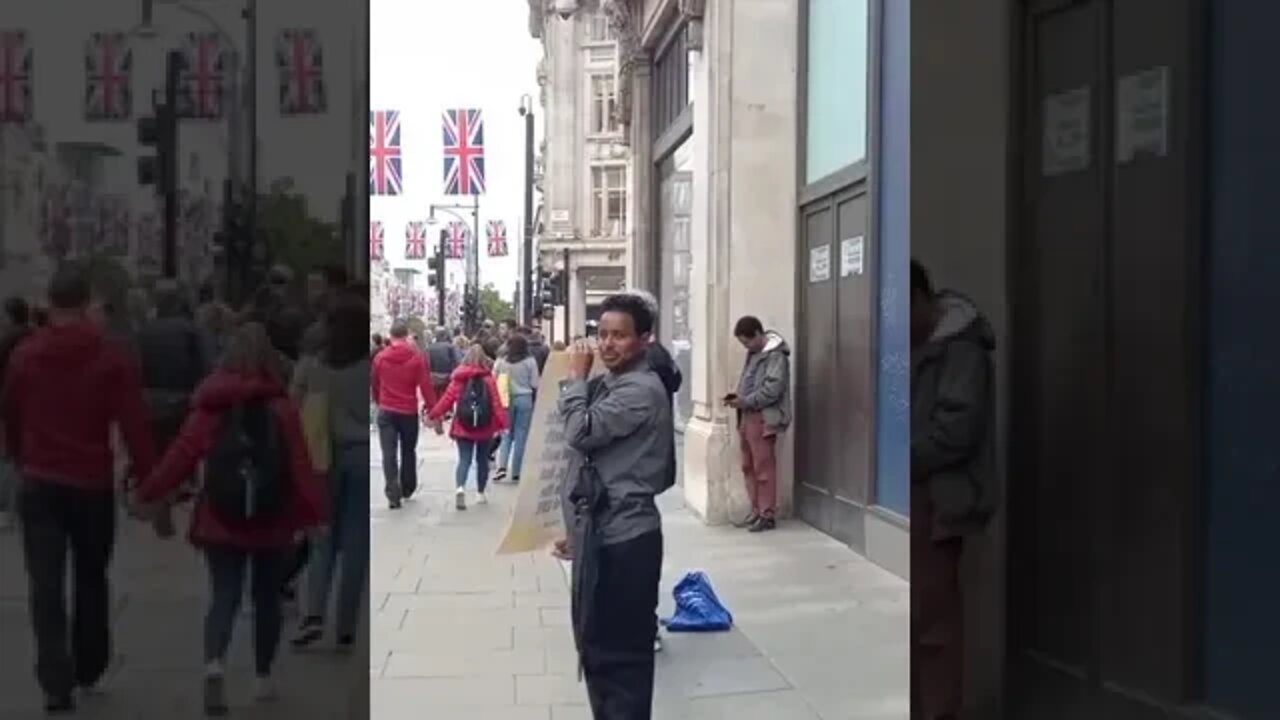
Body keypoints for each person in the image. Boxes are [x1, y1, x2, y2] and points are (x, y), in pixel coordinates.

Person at [131, 322, 326, 716]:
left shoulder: (211, 406)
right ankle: (262, 676)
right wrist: (315, 515)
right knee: (266, 597)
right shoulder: (283, 408)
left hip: (220, 517)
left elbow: (181, 456)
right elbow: (300, 466)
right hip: (272, 519)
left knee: (224, 594)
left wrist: (148, 492)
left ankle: (214, 666)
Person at [2, 264, 157, 713]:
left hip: (40, 479)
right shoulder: (111, 356)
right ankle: (90, 660)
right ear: (86, 302)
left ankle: (55, 681)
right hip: (91, 481)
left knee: (45, 583)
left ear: (50, 304)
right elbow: (134, 423)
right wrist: (149, 478)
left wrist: (19, 456)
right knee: (91, 575)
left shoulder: (26, 355)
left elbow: (10, 411)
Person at [553, 293, 675, 719]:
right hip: (601, 533)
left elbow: (580, 431)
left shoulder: (639, 390)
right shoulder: (615, 383)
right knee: (598, 652)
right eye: (602, 334)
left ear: (644, 338)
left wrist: (574, 379)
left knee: (619, 659)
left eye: (619, 336)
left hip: (625, 541)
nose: (606, 344)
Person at [909, 259, 996, 720]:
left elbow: (957, 430)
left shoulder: (960, 350)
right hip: (917, 492)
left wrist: (901, 456)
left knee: (933, 626)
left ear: (920, 299)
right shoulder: (914, 346)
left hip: (937, 498)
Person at [290, 292, 372, 651]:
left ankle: (313, 615)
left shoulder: (312, 366)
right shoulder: (368, 366)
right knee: (356, 545)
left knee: (322, 538)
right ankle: (346, 626)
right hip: (361, 456)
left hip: (322, 456)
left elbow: (292, 406)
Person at [727, 315, 792, 532]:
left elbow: (773, 390)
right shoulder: (754, 354)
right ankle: (756, 509)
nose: (745, 347)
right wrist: (738, 399)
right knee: (748, 465)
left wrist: (745, 401)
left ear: (757, 334)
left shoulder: (776, 356)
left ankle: (767, 514)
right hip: (747, 415)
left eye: (747, 342)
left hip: (762, 416)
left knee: (763, 466)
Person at [426, 344, 507, 510]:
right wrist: (503, 424)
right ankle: (480, 493)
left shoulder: (459, 378)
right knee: (482, 460)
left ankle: (460, 489)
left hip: (463, 426)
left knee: (464, 459)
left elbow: (446, 400)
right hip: (485, 426)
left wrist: (433, 415)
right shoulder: (489, 379)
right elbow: (496, 403)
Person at [371, 322, 436, 508]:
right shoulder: (417, 357)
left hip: (387, 410)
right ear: (406, 335)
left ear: (391, 336)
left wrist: (379, 400)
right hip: (408, 410)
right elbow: (426, 386)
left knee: (388, 453)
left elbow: (374, 383)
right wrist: (433, 410)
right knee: (408, 450)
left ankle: (393, 493)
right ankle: (408, 486)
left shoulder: (380, 358)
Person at [0, 296, 32, 529]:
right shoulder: (36, 336)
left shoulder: (6, 340)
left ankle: (11, 511)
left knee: (9, 456)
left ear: (10, 316)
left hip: (8, 403)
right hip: (32, 403)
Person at [492, 334, 540, 484]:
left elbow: (493, 379)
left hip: (505, 398)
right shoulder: (530, 361)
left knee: (506, 434)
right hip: (525, 398)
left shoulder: (501, 361)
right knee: (521, 435)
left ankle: (502, 467)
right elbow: (535, 383)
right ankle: (517, 471)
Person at [425, 328, 463, 403]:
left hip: (433, 377)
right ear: (445, 336)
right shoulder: (451, 347)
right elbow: (458, 361)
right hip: (447, 376)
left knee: (435, 398)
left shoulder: (429, 348)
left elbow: (426, 363)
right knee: (447, 399)